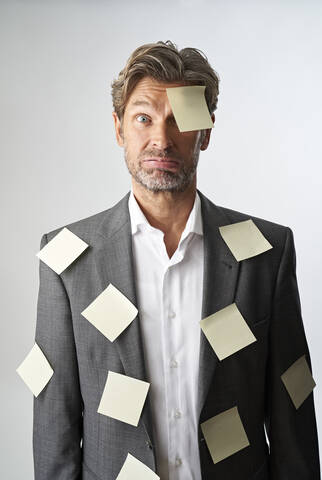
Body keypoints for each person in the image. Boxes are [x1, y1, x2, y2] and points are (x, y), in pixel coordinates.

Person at [33, 40, 320, 479]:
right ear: (118, 128)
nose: (161, 139)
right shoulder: (67, 261)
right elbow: (55, 434)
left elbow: (292, 418)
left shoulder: (268, 254)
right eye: (143, 118)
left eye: (181, 120)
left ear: (206, 130)